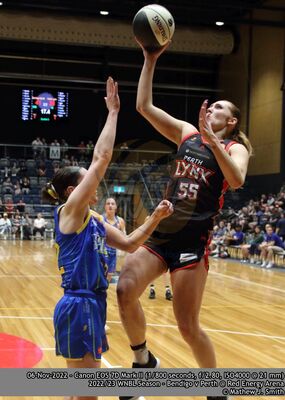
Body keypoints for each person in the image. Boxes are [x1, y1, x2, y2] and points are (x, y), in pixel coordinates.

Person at [116, 42, 252, 400]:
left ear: (231, 121)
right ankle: (143, 360)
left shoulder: (235, 148)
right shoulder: (187, 133)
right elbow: (143, 107)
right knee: (125, 288)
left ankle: (214, 388)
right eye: (212, 106)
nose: (212, 108)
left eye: (220, 107)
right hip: (163, 232)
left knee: (187, 327)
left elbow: (236, 179)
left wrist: (214, 143)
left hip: (194, 242)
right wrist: (149, 59)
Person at [41, 77, 173, 400]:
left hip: (93, 305)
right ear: (74, 191)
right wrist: (113, 113)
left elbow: (128, 244)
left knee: (81, 393)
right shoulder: (69, 212)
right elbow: (100, 160)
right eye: (87, 181)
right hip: (78, 304)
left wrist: (155, 217)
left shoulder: (95, 220)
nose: (96, 182)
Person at [103, 197, 126, 282]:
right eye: (108, 203)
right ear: (105, 206)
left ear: (116, 207)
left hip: (113, 253)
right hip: (102, 252)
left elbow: (124, 237)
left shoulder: (120, 221)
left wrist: (122, 251)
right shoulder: (100, 219)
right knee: (101, 276)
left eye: (112, 204)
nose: (110, 206)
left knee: (109, 276)